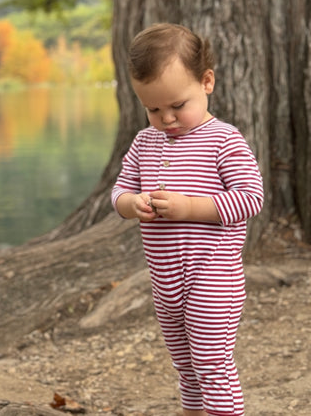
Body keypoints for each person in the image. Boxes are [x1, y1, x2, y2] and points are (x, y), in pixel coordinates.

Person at [111, 23, 264, 416]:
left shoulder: (224, 140)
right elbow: (120, 190)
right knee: (186, 367)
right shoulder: (145, 142)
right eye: (153, 109)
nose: (167, 118)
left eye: (178, 105)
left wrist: (189, 208)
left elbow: (250, 198)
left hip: (212, 277)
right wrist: (133, 203)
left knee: (213, 366)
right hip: (165, 279)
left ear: (207, 82)